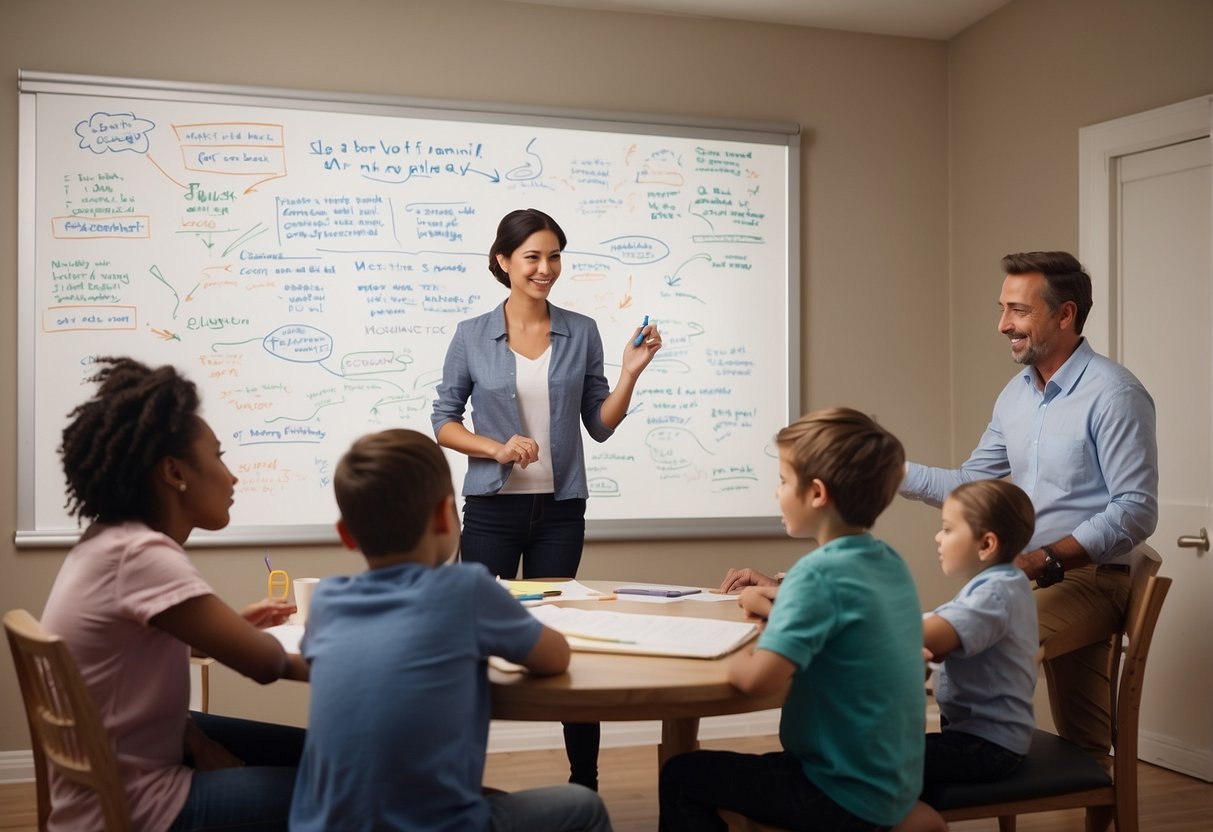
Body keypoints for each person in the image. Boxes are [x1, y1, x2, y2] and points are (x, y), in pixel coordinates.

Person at [431, 207, 662, 791]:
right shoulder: (470, 335)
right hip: (491, 510)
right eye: (532, 256)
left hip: (560, 513)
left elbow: (600, 424)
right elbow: (444, 421)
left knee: (565, 645)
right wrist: (497, 448)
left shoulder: (581, 331)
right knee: (472, 644)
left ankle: (584, 783)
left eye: (554, 255)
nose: (545, 268)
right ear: (504, 262)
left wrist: (631, 372)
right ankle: (456, 783)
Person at [900, 251, 1158, 763]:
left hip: (1089, 576)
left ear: (1064, 314)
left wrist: (1044, 560)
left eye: (1018, 310)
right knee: (1087, 743)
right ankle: (972, 775)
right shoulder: (1014, 397)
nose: (1003, 325)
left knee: (962, 645)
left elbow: (1135, 509)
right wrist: (892, 472)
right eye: (1003, 309)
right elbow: (972, 482)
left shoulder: (1115, 394)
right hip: (1026, 575)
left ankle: (961, 769)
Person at [289, 428, 612, 832]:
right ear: (446, 516)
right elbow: (555, 657)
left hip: (318, 825)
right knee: (583, 806)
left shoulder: (326, 601)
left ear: (346, 535)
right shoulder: (468, 589)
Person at [40, 356, 308, 832]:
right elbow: (268, 665)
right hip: (143, 804)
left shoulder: (109, 540)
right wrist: (378, 653)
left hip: (120, 776)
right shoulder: (142, 555)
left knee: (328, 755)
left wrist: (235, 629)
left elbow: (137, 659)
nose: (232, 476)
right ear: (174, 472)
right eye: (220, 457)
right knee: (356, 784)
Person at [660, 408, 925, 831]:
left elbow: (756, 681)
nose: (775, 492)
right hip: (892, 781)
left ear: (817, 493)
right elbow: (832, 616)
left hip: (838, 789)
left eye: (783, 481)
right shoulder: (888, 562)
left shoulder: (816, 573)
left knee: (680, 775)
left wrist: (712, 649)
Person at [923, 479, 1038, 788]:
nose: (938, 537)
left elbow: (929, 634)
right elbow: (941, 622)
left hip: (988, 749)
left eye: (947, 529)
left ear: (986, 544)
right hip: (983, 740)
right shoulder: (1002, 582)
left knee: (874, 761)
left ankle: (914, 819)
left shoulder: (996, 593)